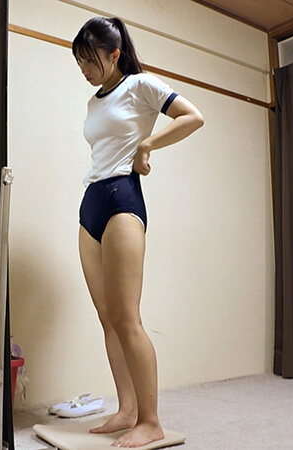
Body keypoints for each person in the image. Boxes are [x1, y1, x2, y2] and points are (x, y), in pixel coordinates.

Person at [71, 17, 204, 448]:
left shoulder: (140, 85)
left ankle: (151, 420)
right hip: (91, 202)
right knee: (107, 318)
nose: (84, 70)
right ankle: (127, 409)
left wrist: (148, 145)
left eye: (90, 60)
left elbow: (193, 117)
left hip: (122, 200)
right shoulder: (93, 102)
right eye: (78, 62)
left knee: (127, 318)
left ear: (114, 54)